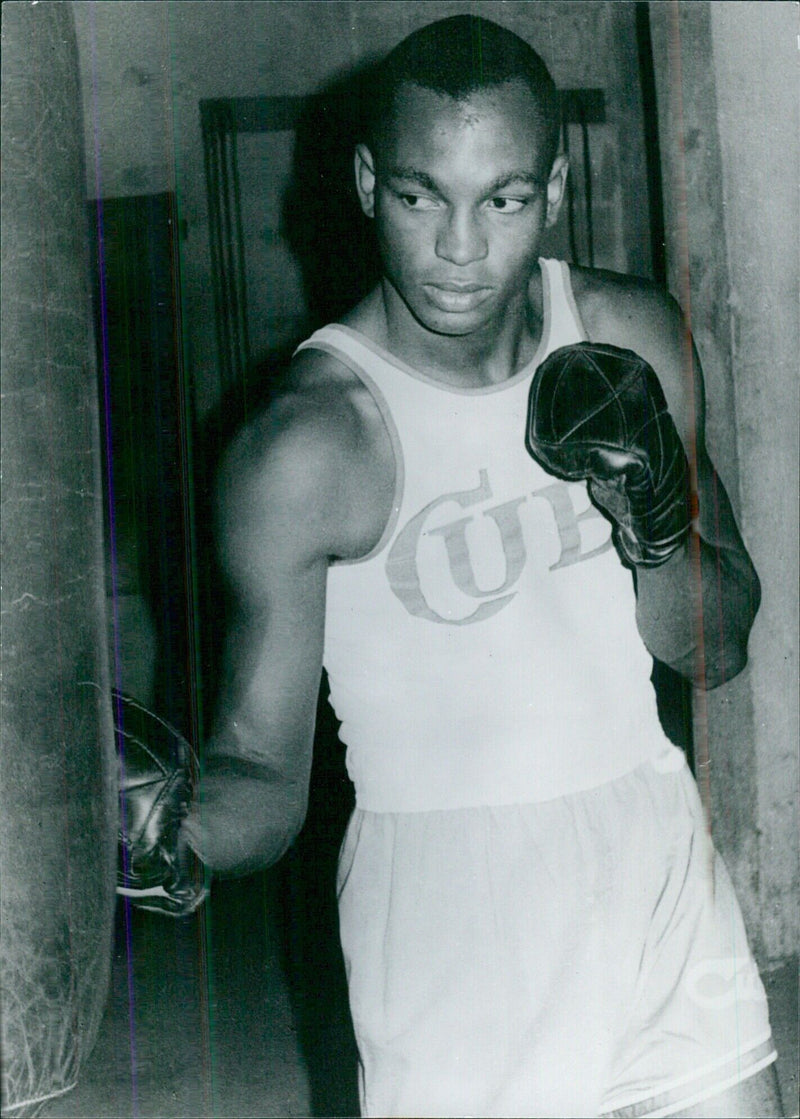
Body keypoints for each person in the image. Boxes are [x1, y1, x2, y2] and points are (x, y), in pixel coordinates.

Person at [131, 14, 783, 1117]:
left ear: (556, 188)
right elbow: (264, 778)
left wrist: (653, 521)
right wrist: (153, 825)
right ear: (366, 181)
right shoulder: (304, 445)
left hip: (655, 858)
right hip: (449, 925)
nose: (460, 248)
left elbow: (713, 651)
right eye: (422, 195)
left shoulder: (629, 331)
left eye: (504, 198)